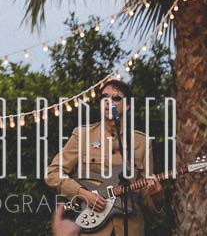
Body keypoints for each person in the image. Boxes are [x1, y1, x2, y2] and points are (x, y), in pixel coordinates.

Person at [43, 79, 164, 236]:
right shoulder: (82, 135)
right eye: (104, 97)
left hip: (130, 228)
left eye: (116, 98)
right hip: (92, 229)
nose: (109, 102)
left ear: (128, 106)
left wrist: (157, 195)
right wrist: (83, 194)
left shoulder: (142, 142)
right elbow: (52, 173)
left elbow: (145, 195)